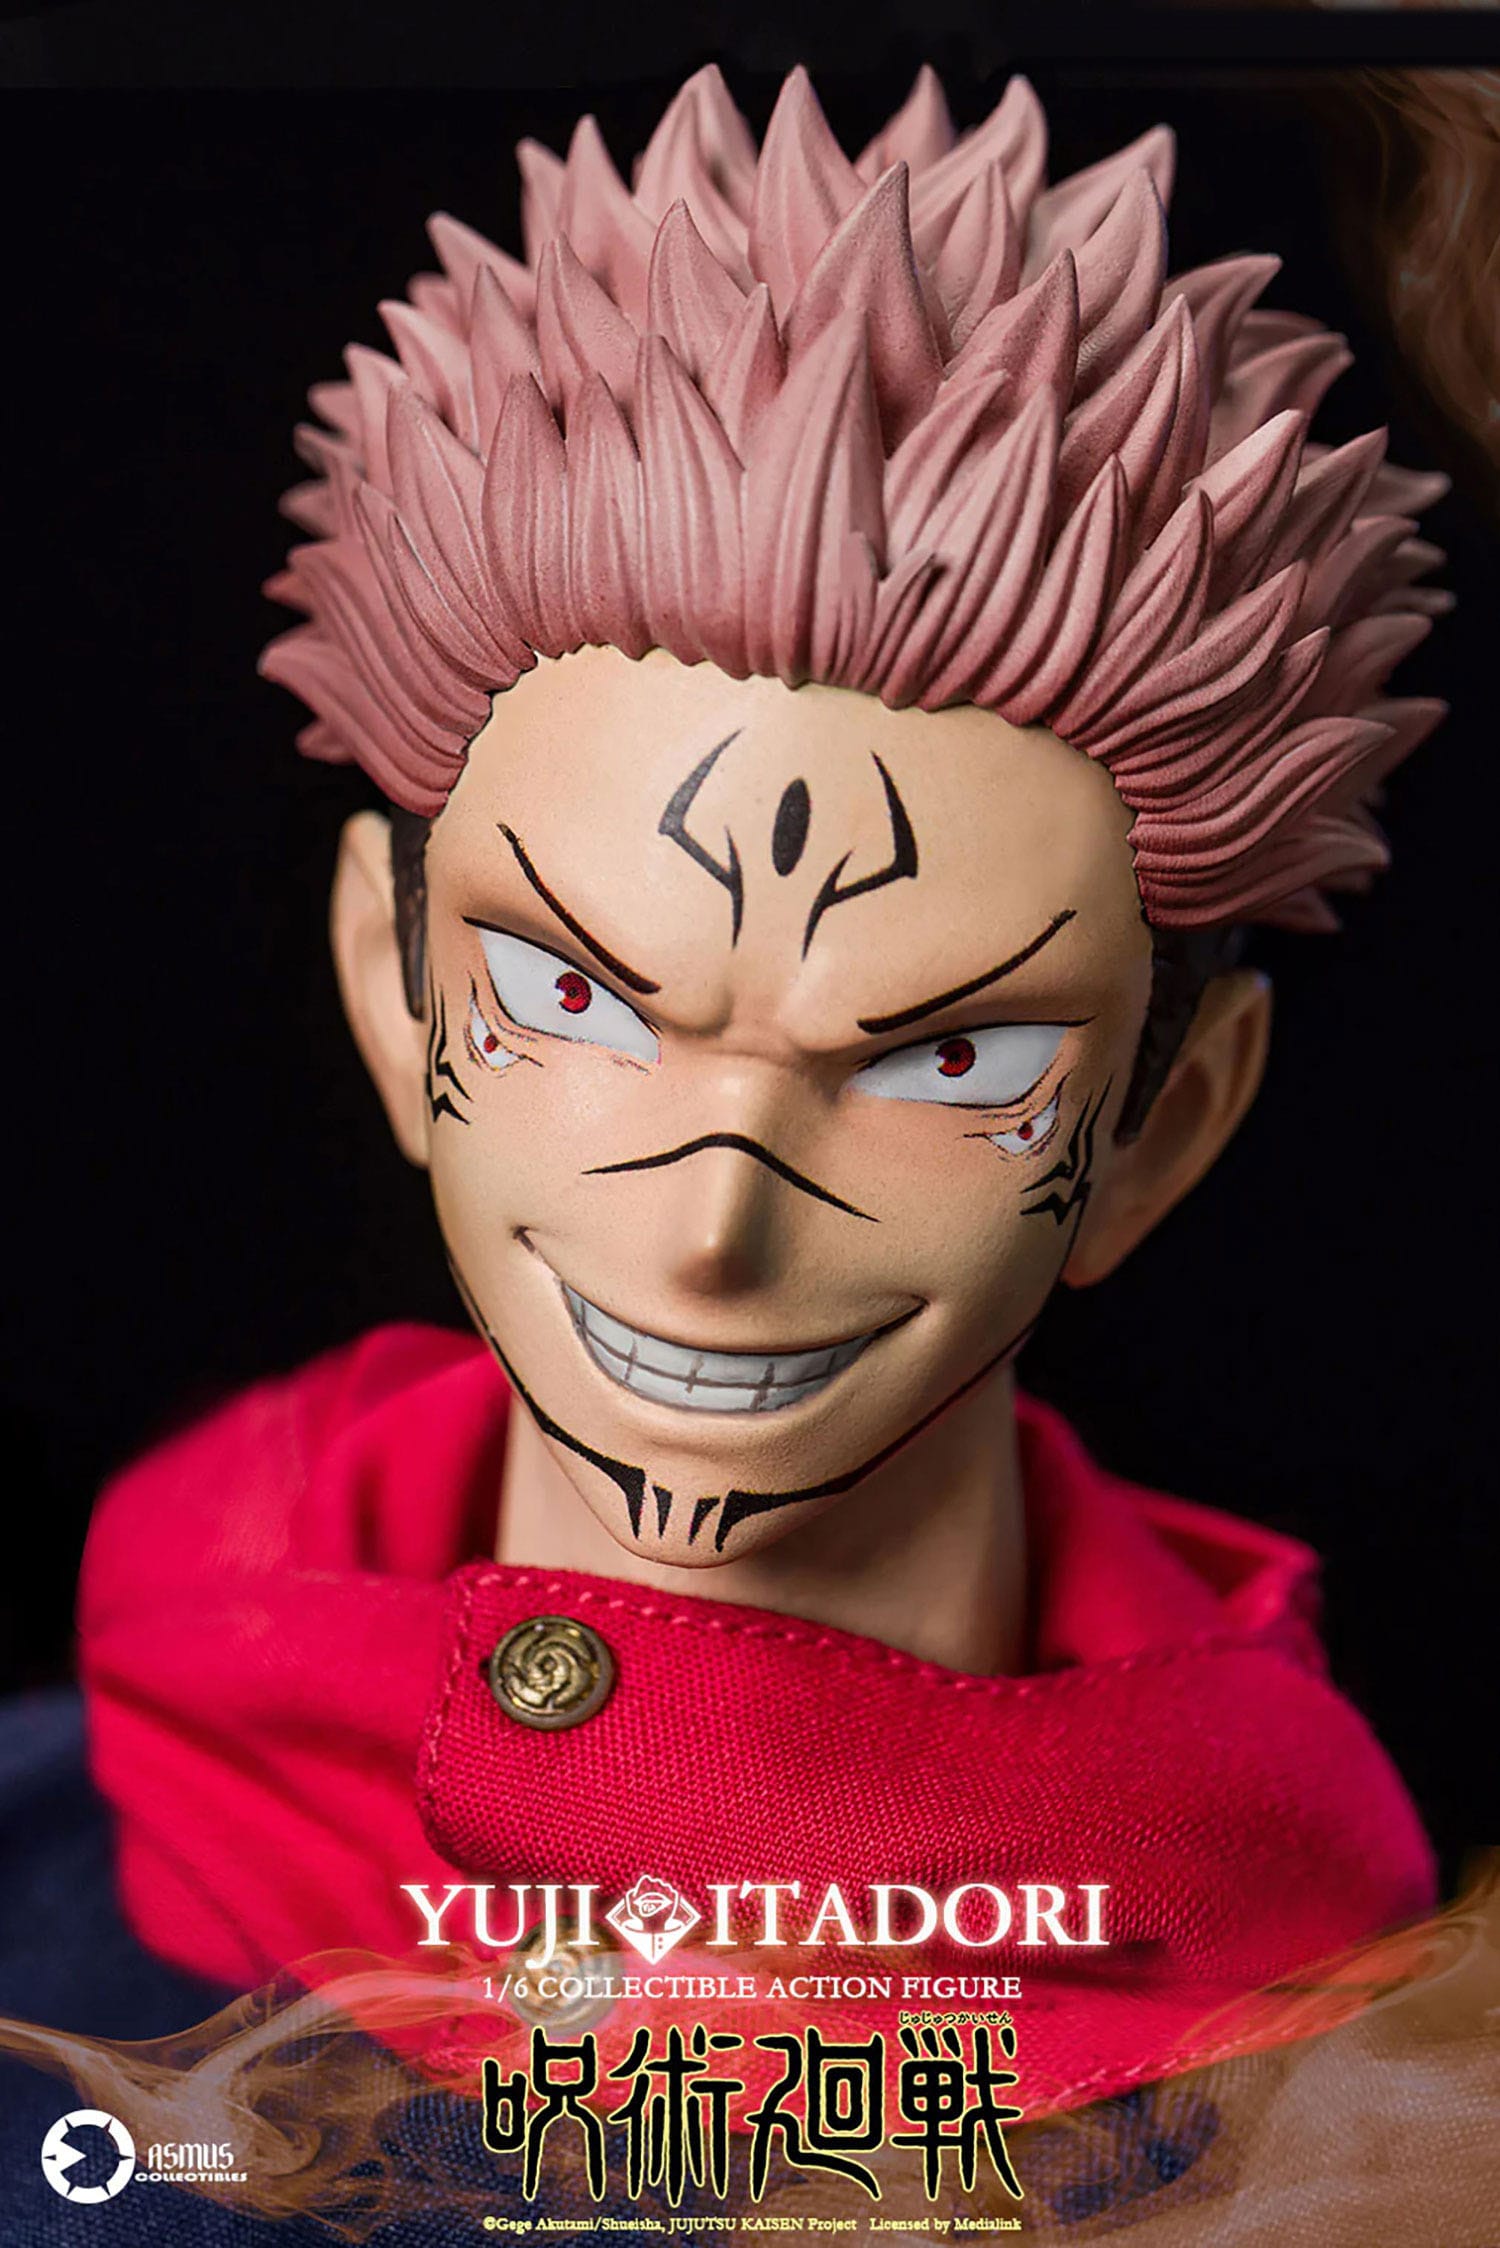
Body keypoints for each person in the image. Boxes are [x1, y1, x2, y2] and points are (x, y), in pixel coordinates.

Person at [66, 58, 1444, 2159]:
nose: (714, 1229)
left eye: (949, 1058)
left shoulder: (1332, 2050)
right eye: (569, 993)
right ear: (389, 976)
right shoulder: (144, 1719)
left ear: (1161, 1131)